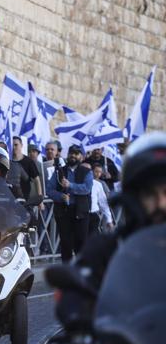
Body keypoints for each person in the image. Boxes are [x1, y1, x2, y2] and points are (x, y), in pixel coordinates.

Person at [54, 132, 166, 331]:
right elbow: (74, 296)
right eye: (150, 194)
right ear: (135, 197)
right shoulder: (108, 247)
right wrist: (78, 309)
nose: (161, 204)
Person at [47, 144, 93, 262]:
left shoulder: (87, 171)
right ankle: (66, 275)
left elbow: (87, 188)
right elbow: (49, 190)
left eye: (76, 153)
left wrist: (70, 185)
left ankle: (81, 274)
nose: (73, 155)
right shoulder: (59, 172)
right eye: (71, 153)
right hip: (64, 212)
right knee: (66, 245)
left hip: (81, 213)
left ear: (81, 157)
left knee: (81, 244)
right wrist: (60, 196)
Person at [7, 136, 40, 200]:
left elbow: (37, 180)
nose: (14, 147)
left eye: (16, 145)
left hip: (24, 200)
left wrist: (40, 199)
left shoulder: (29, 161)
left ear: (21, 145)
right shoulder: (7, 161)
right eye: (12, 145)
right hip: (8, 198)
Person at [88, 161, 114, 235]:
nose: (98, 174)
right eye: (96, 171)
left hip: (95, 214)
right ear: (91, 171)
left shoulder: (100, 183)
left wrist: (109, 219)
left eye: (100, 172)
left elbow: (103, 201)